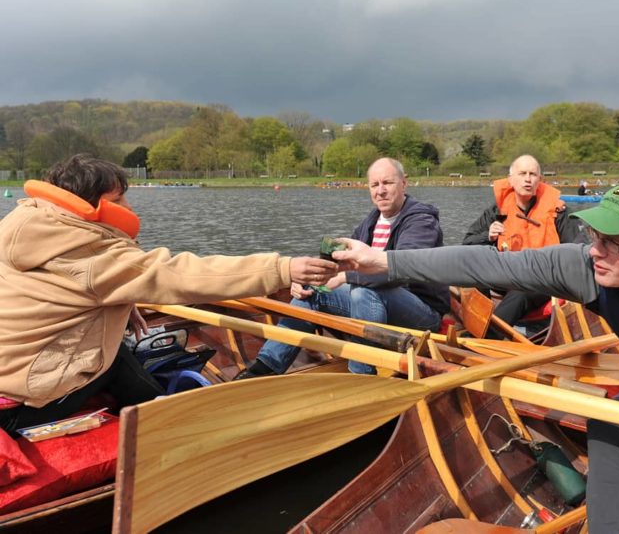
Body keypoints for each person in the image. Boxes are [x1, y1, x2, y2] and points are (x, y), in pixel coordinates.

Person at [333, 176, 619, 533]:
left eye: (614, 243)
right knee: (609, 422)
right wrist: (383, 262)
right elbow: (488, 265)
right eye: (595, 235)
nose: (595, 250)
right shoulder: (587, 266)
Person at [0, 154, 337, 433]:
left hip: (12, 373)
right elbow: (177, 274)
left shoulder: (30, 225)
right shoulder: (90, 259)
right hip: (27, 400)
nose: (129, 206)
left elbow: (66, 292)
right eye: (119, 200)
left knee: (118, 352)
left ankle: (156, 406)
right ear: (89, 207)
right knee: (117, 361)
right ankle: (172, 425)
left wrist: (119, 301)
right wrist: (282, 269)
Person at [235, 157, 450, 379]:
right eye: (374, 185)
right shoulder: (371, 221)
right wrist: (307, 278)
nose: (381, 191)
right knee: (313, 290)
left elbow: (400, 270)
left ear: (404, 183)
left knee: (364, 292)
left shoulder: (421, 222)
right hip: (379, 304)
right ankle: (265, 366)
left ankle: (361, 376)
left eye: (388, 183)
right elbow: (340, 262)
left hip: (423, 314)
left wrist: (345, 277)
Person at [462, 155, 586, 337]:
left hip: (544, 277)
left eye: (533, 174)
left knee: (524, 289)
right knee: (472, 271)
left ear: (540, 180)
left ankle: (486, 336)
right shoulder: (497, 210)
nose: (528, 179)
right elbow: (467, 243)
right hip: (506, 275)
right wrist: (487, 236)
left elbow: (580, 249)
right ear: (511, 180)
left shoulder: (558, 211)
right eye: (522, 174)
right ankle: (477, 322)